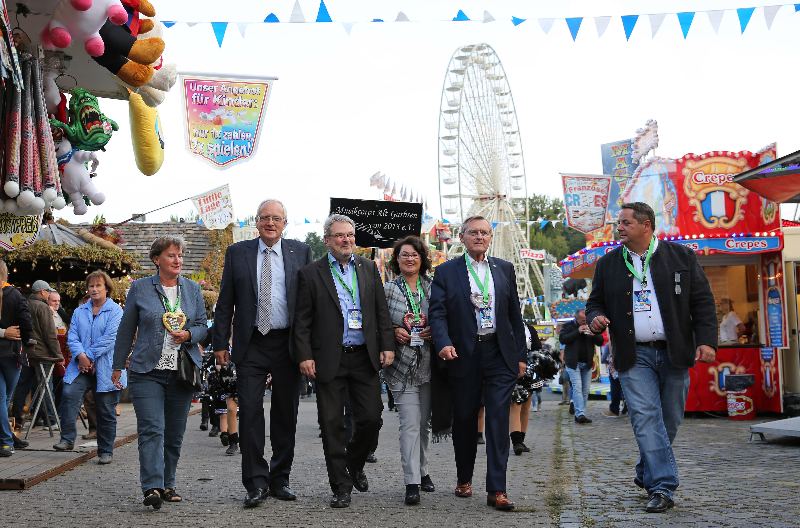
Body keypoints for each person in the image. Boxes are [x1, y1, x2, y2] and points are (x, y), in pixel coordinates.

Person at [586, 202, 718, 514]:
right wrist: (596, 318)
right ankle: (662, 487)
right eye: (619, 223)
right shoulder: (607, 263)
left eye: (625, 223)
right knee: (646, 417)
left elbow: (702, 302)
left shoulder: (681, 256)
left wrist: (706, 341)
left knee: (669, 420)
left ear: (646, 225)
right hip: (634, 354)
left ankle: (646, 469)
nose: (619, 228)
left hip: (675, 351)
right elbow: (594, 303)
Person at [213, 199, 313, 507]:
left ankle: (280, 479)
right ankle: (256, 483)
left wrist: (310, 347)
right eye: (265, 217)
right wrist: (220, 343)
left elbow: (309, 303)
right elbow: (225, 301)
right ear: (256, 222)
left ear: (285, 223)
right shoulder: (237, 252)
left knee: (286, 413)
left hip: (287, 344)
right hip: (251, 343)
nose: (271, 223)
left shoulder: (301, 252)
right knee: (250, 412)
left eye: (276, 218)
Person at [293, 214, 395, 509]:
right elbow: (302, 321)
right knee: (331, 424)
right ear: (328, 240)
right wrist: (305, 355)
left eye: (350, 234)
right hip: (328, 359)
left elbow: (381, 311)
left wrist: (387, 345)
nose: (346, 239)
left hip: (364, 356)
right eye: (340, 235)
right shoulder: (310, 273)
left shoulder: (368, 267)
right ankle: (340, 486)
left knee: (371, 418)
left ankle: (354, 462)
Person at [429, 215, 526, 511]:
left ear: (490, 237)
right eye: (473, 233)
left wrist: (521, 356)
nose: (480, 237)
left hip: (499, 352)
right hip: (464, 354)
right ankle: (464, 478)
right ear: (462, 237)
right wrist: (443, 342)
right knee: (465, 418)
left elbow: (514, 316)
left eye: (484, 232)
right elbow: (437, 313)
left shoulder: (504, 269)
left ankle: (497, 489)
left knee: (498, 419)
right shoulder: (446, 271)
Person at [112, 236, 208, 509]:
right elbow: (126, 329)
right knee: (152, 429)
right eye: (171, 255)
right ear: (157, 259)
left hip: (182, 371)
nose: (178, 260)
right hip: (146, 370)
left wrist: (189, 334)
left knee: (174, 432)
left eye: (180, 255)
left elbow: (203, 326)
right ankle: (151, 486)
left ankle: (168, 484)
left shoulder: (192, 289)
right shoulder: (140, 288)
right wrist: (117, 365)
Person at [382, 236, 436, 505]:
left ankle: (423, 470)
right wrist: (393, 332)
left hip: (430, 364)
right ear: (397, 259)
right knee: (410, 423)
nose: (410, 259)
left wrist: (436, 330)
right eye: (404, 254)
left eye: (415, 254)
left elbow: (446, 317)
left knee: (424, 423)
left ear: (422, 258)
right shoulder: (388, 289)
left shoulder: (434, 287)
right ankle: (411, 481)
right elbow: (379, 322)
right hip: (400, 366)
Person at [54, 271, 124, 463]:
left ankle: (106, 451)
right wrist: (81, 357)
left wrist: (89, 356)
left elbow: (110, 338)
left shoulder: (116, 311)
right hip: (81, 367)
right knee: (69, 394)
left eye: (98, 285)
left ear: (107, 288)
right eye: (91, 286)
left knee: (105, 409)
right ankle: (67, 439)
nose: (94, 289)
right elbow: (72, 336)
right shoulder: (79, 311)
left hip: (107, 367)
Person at [0, 260, 33, 457]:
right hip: (12, 354)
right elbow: (27, 323)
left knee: (1, 399)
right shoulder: (15, 295)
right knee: (4, 399)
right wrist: (22, 341)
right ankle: (6, 441)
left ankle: (6, 440)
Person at [22, 280, 63, 427]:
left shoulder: (25, 304)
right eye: (48, 291)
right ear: (42, 292)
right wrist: (58, 355)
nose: (49, 294)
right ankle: (50, 420)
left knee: (30, 386)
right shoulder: (43, 306)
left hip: (28, 352)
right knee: (46, 387)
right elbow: (50, 334)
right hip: (43, 352)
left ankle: (24, 418)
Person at [560, 309, 603, 424]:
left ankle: (580, 413)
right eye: (583, 320)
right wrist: (577, 331)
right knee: (577, 388)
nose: (585, 322)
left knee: (585, 390)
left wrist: (594, 334)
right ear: (576, 319)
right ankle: (580, 414)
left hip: (587, 363)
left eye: (586, 320)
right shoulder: (568, 326)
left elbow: (600, 341)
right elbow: (562, 339)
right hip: (573, 363)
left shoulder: (591, 325)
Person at [510, 324, 541, 455]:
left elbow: (537, 349)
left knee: (525, 406)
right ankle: (516, 441)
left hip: (529, 371)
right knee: (515, 405)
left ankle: (521, 440)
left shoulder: (529, 329)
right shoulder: (506, 326)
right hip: (512, 368)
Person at [601, 341, 627, 418]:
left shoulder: (609, 344)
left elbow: (603, 358)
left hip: (614, 367)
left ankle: (614, 410)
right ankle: (626, 401)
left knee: (615, 386)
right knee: (625, 386)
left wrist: (608, 361)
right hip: (625, 365)